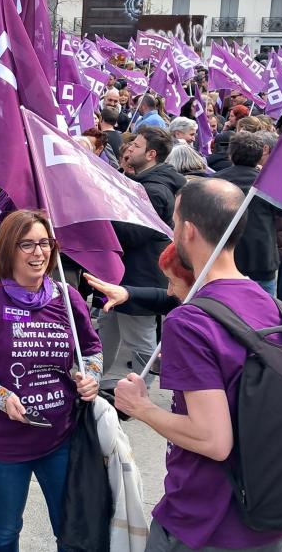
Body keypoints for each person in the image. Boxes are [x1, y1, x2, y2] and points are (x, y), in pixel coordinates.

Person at [112, 179, 282, 551]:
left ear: (187, 231)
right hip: (267, 513)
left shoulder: (191, 321)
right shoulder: (272, 304)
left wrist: (141, 407)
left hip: (206, 521)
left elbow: (212, 440)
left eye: (174, 221)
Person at [0, 209, 102, 552]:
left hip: (60, 437)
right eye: (27, 244)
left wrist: (90, 376)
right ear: (7, 250)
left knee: (69, 528)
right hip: (2, 443)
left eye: (45, 243)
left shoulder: (67, 298)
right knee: (5, 530)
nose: (39, 253)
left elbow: (91, 348)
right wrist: (0, 396)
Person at [102, 126, 185, 383]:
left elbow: (132, 234)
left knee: (140, 339)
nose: (128, 148)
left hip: (140, 276)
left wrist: (103, 218)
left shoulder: (153, 190)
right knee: (106, 330)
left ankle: (141, 387)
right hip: (127, 274)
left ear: (150, 154)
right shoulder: (144, 182)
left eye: (136, 146)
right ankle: (94, 379)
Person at [212, 132, 282, 297]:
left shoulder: (215, 181)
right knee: (265, 315)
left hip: (226, 255)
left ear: (231, 154)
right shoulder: (267, 182)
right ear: (259, 156)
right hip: (260, 256)